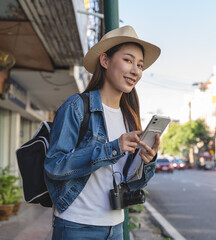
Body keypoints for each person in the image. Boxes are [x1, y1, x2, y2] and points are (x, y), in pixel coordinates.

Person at [44, 25, 161, 239]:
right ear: (105, 61)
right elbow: (55, 165)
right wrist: (112, 148)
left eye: (140, 65)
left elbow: (131, 182)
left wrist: (145, 162)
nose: (136, 70)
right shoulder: (77, 107)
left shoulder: (129, 117)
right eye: (128, 60)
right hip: (77, 226)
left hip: (115, 227)